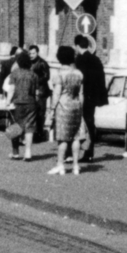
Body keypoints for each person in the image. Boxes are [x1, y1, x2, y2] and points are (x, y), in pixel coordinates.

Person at [48, 45, 84, 175]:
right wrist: (81, 108)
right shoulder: (79, 74)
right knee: (75, 137)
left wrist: (51, 110)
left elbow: (56, 94)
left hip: (63, 107)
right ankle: (75, 166)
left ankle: (60, 165)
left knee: (62, 138)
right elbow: (81, 94)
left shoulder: (59, 75)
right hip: (76, 107)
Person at [73, 34, 108, 162]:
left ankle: (81, 152)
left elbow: (79, 80)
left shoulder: (80, 60)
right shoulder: (96, 59)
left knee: (81, 125)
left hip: (82, 96)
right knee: (90, 123)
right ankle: (90, 152)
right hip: (93, 97)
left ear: (77, 46)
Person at [3, 49, 38, 162]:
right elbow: (35, 91)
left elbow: (11, 89)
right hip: (31, 102)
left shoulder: (14, 73)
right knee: (29, 128)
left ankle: (15, 152)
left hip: (17, 103)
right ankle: (28, 153)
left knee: (16, 127)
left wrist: (8, 102)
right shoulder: (33, 74)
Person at [27, 45, 52, 140]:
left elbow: (46, 76)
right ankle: (33, 133)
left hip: (41, 91)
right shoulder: (28, 62)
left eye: (33, 53)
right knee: (32, 112)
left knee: (40, 113)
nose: (31, 55)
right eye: (30, 53)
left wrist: (35, 81)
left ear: (37, 53)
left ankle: (39, 133)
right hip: (31, 91)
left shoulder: (42, 63)